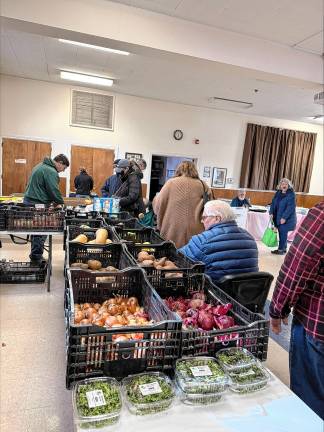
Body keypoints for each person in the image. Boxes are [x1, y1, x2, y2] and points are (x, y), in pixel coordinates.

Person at [269, 202, 324, 419]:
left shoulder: (321, 215)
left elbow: (298, 266)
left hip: (317, 324)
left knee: (310, 404)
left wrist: (277, 308)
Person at [179, 200, 258, 281]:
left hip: (214, 291)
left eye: (204, 217)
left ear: (217, 218)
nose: (202, 221)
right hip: (246, 292)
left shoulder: (202, 240)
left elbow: (177, 258)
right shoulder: (250, 238)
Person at [153, 161, 211, 248]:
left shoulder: (171, 183)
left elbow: (158, 205)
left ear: (179, 170)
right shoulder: (203, 185)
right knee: (193, 257)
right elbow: (211, 208)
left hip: (172, 228)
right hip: (197, 230)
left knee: (171, 256)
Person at [24, 154, 69, 263]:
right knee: (41, 230)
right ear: (60, 163)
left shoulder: (40, 165)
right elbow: (53, 190)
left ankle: (35, 255)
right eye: (64, 168)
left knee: (36, 231)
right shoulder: (50, 171)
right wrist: (60, 203)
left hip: (30, 201)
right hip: (37, 203)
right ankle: (36, 257)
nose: (62, 171)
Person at [269, 178, 296, 255]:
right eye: (282, 184)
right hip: (278, 216)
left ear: (288, 185)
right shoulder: (278, 193)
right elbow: (273, 203)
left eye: (286, 184)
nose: (284, 185)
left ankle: (281, 250)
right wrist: (271, 212)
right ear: (280, 185)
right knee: (281, 232)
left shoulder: (291, 194)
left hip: (287, 218)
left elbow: (290, 207)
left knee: (283, 232)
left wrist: (284, 217)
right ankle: (283, 249)